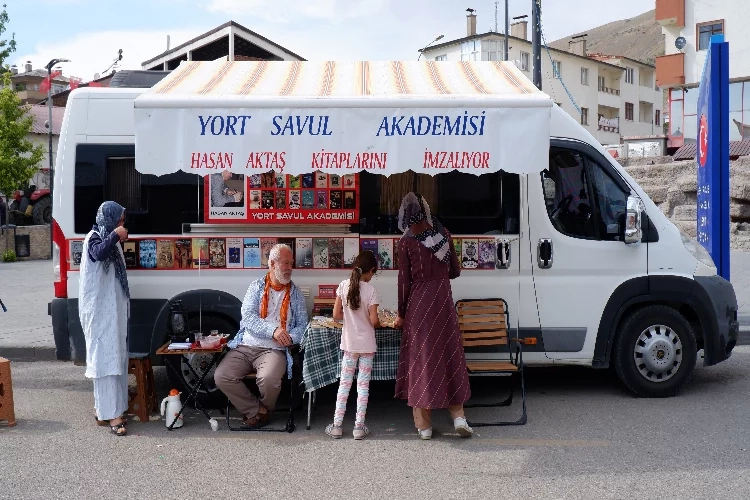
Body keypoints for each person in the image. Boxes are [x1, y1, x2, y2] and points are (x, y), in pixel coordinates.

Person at [393, 192, 473, 440]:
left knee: (421, 359)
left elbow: (404, 282)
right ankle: (459, 417)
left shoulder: (406, 242)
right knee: (449, 354)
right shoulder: (443, 233)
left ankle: (424, 426)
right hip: (443, 301)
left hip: (419, 305)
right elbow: (455, 271)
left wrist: (401, 314)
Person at [215, 244, 308, 428]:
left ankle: (261, 411)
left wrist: (288, 337)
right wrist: (273, 331)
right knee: (222, 376)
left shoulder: (295, 294)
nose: (290, 267)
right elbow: (248, 317)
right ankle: (259, 411)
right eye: (285, 263)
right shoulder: (256, 286)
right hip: (246, 345)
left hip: (274, 350)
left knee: (268, 379)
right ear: (272, 264)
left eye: (291, 263)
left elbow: (303, 326)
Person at [78, 201, 130, 437]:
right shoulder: (95, 238)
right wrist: (115, 236)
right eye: (119, 220)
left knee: (115, 358)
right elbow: (98, 254)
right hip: (100, 312)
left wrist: (117, 239)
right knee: (105, 360)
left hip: (113, 312)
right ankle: (113, 416)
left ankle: (109, 409)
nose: (122, 224)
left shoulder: (109, 238)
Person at [325, 250, 381, 440]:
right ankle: (358, 427)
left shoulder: (343, 286)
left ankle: (337, 426)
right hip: (367, 346)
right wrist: (378, 322)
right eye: (374, 273)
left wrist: (350, 318)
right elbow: (374, 320)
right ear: (371, 270)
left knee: (344, 385)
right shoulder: (371, 291)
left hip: (349, 344)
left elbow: (336, 315)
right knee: (363, 387)